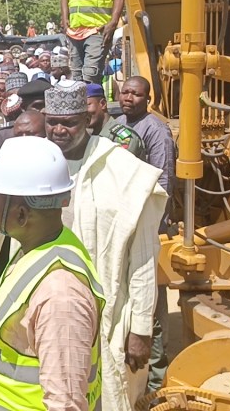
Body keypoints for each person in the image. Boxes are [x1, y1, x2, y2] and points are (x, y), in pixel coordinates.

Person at [0, 137, 105, 411]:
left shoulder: (61, 296)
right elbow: (27, 316)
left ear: (20, 214)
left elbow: (65, 403)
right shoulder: (40, 248)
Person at [43, 81, 166, 410]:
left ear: (87, 119)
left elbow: (143, 257)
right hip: (50, 312)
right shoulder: (37, 166)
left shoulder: (122, 170)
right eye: (52, 121)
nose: (58, 129)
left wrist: (140, 328)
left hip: (109, 313)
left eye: (68, 122)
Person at [117, 76, 175, 214]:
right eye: (125, 92)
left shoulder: (156, 130)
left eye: (136, 94)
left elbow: (164, 177)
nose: (128, 98)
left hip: (144, 208)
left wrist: (156, 216)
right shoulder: (118, 123)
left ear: (147, 100)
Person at [86, 83, 145, 159]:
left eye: (86, 105)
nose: (82, 112)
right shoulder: (91, 136)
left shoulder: (122, 137)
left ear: (103, 104)